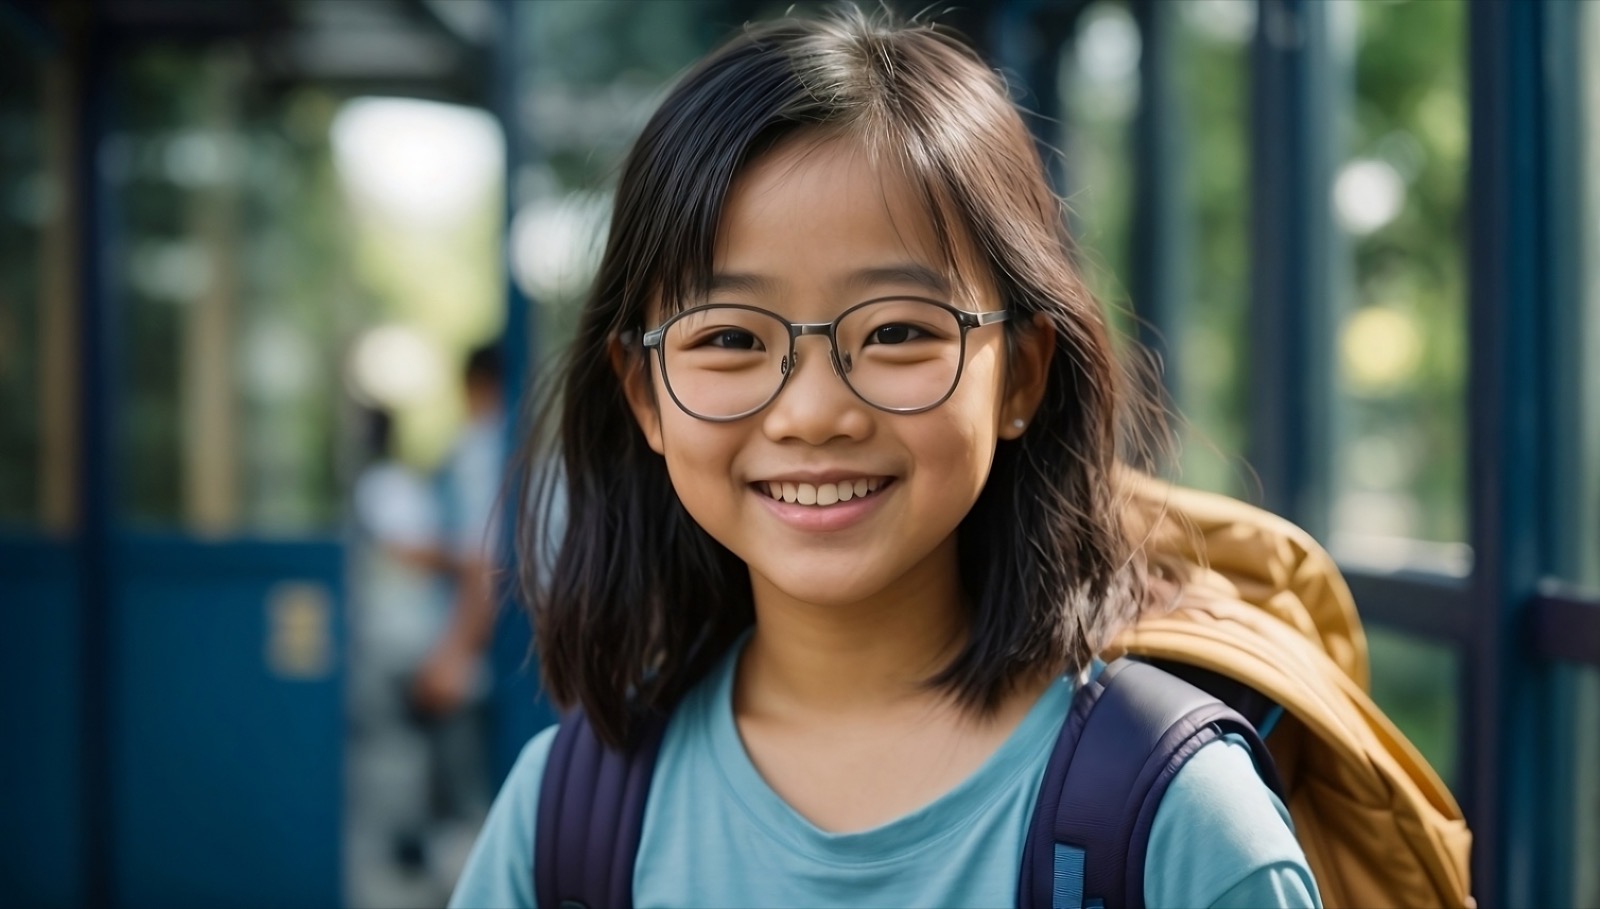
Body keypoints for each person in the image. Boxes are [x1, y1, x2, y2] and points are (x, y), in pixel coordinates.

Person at [452, 7, 1321, 908]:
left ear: (1021, 375)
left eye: (899, 330)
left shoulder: (1174, 821)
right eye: (729, 338)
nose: (813, 412)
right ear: (644, 394)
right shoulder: (568, 813)